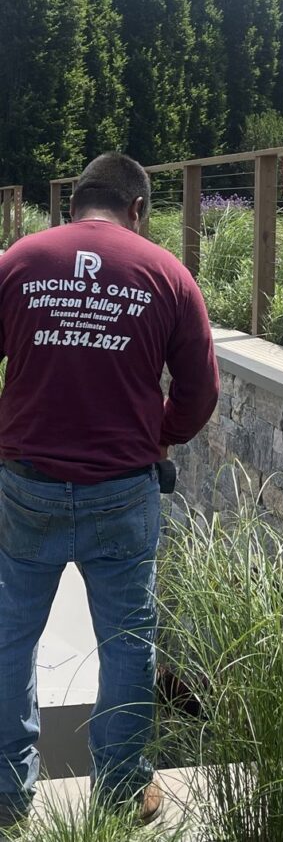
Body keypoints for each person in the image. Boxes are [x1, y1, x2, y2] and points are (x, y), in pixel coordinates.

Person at [0, 153, 220, 829]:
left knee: (11, 636)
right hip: (123, 490)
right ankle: (124, 792)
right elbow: (199, 393)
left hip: (27, 485)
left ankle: (8, 795)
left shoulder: (19, 262)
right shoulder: (167, 275)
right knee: (128, 642)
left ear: (73, 205)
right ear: (139, 208)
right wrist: (160, 436)